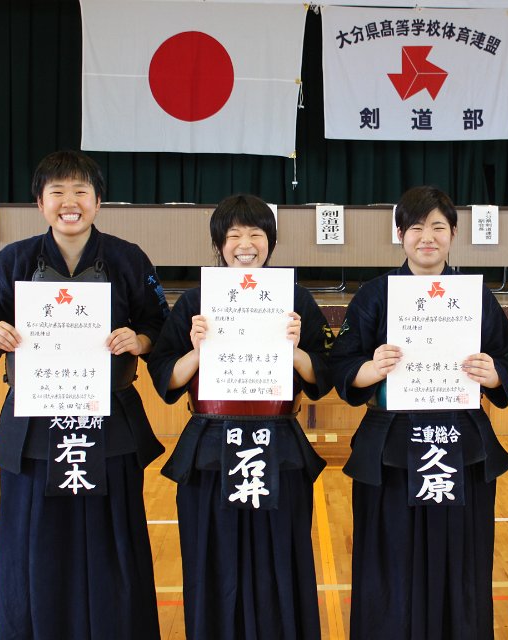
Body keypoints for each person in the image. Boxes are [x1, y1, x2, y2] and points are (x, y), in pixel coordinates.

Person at [0, 150, 169, 640]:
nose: (69, 202)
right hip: (35, 425)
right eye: (57, 192)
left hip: (109, 420)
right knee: (32, 537)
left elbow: (159, 326)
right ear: (40, 203)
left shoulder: (128, 258)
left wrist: (139, 340)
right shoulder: (13, 260)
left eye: (81, 191)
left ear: (98, 201)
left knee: (113, 536)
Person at [328, 185, 508, 640]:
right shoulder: (374, 295)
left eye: (438, 227)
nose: (427, 237)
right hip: (391, 445)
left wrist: (493, 374)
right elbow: (342, 365)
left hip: (461, 443)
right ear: (399, 234)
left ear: (454, 233)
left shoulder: (476, 296)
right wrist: (370, 369)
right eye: (415, 227)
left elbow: (506, 361)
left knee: (461, 558)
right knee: (390, 558)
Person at [148, 194, 333, 640]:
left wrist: (295, 351)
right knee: (211, 559)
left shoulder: (296, 299)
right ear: (219, 243)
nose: (245, 245)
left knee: (281, 558)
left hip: (279, 444)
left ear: (271, 241)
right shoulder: (194, 301)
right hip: (210, 448)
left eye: (255, 234)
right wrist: (197, 351)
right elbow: (166, 378)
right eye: (233, 235)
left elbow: (323, 377)